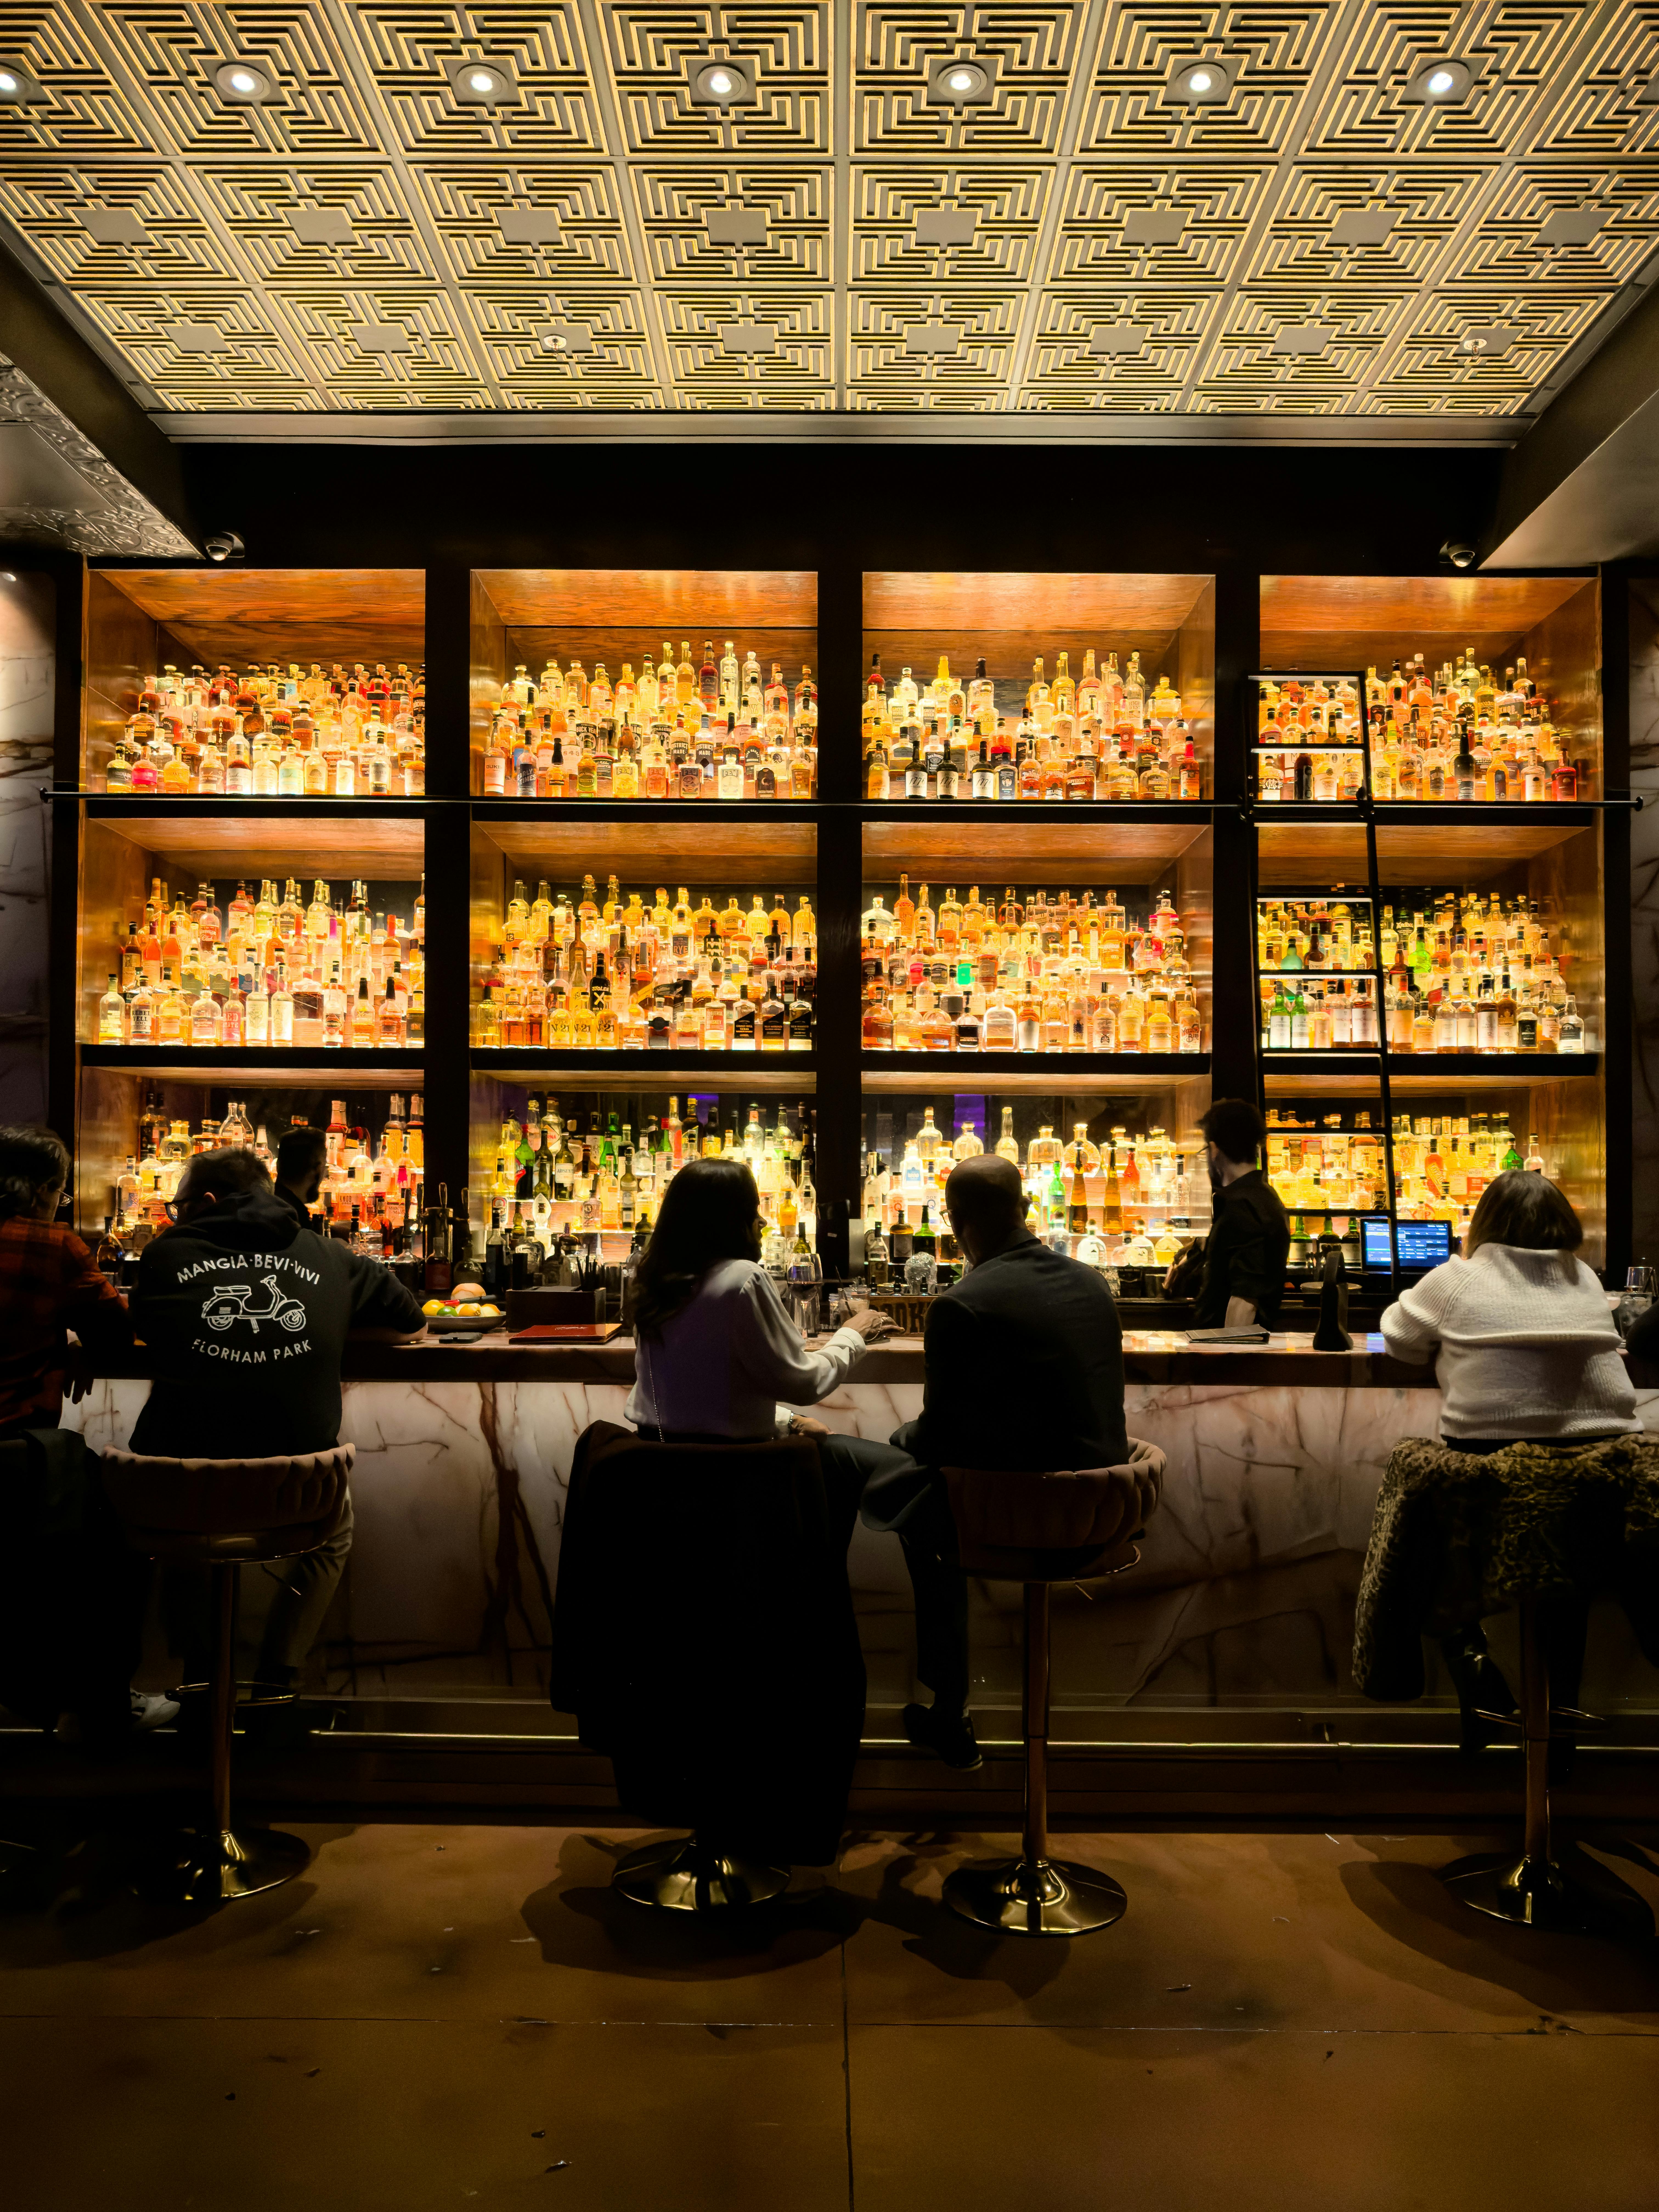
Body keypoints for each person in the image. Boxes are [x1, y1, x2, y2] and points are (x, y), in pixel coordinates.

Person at [818, 1153, 1129, 1772]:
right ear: (1027, 1210)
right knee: (922, 1489)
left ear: (954, 1224)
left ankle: (831, 1685)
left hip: (1011, 1511)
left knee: (834, 1457)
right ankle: (946, 1709)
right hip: (1096, 1510)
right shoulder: (1093, 1284)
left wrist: (902, 1438)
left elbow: (940, 1442)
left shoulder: (962, 1305)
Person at [130, 1145, 424, 1700]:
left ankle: (200, 1677)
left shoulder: (165, 1256)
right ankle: (277, 1678)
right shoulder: (330, 1256)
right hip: (295, 1490)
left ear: (207, 1203)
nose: (172, 1217)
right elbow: (413, 1323)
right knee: (333, 1526)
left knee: (178, 1521)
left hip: (177, 1487)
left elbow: (143, 1327)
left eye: (177, 1207)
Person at [1380, 1169, 1641, 1749]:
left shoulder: (1459, 1277)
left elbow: (1397, 1340)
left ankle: (1476, 1675)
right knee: (1562, 1589)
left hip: (1491, 1473)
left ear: (1486, 1223)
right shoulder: (1584, 1279)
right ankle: (1559, 1736)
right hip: (1605, 1477)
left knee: (1420, 1540)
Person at [0, 1125, 173, 1748]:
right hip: (18, 1457)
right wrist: (71, 1342)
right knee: (121, 1532)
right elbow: (117, 1336)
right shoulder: (53, 1246)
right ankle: (101, 1707)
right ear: (45, 1190)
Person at [626, 1156, 893, 1446]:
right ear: (725, 1220)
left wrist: (789, 1421)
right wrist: (853, 1334)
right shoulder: (743, 1279)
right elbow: (804, 1384)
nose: (763, 1220)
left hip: (657, 1465)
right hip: (742, 1472)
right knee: (891, 1465)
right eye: (753, 1209)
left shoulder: (655, 1282)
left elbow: (698, 1396)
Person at [1164, 1097, 1290, 1330]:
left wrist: (1229, 1356)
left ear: (1214, 1151)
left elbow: (1245, 1300)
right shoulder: (1262, 1198)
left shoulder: (1244, 1206)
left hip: (1227, 1349)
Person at [274, 1125, 329, 1228]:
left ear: (278, 1166)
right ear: (317, 1169)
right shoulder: (295, 1221)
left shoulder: (269, 1206)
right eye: (324, 1166)